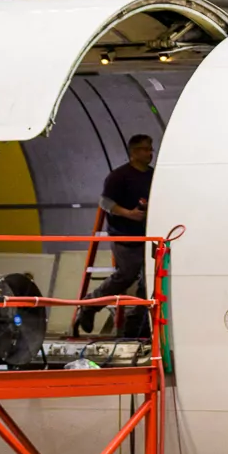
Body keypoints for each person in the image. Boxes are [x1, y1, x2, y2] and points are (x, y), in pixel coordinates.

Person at [76, 133, 155, 338]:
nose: (150, 153)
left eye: (150, 149)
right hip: (125, 236)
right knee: (125, 276)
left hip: (147, 237)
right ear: (134, 152)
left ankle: (136, 327)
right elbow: (106, 203)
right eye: (145, 149)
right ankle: (90, 305)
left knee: (148, 282)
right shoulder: (119, 176)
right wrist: (129, 214)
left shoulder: (153, 175)